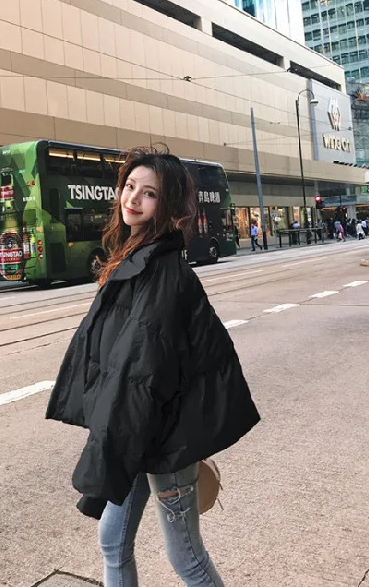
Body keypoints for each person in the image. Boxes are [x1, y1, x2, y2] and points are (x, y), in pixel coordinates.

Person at [46, 147, 260, 587]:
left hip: (162, 437)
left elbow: (139, 373)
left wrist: (112, 444)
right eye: (129, 186)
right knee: (112, 541)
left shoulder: (162, 273)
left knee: (187, 558)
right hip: (142, 429)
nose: (133, 198)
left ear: (167, 205)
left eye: (149, 193)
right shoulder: (136, 257)